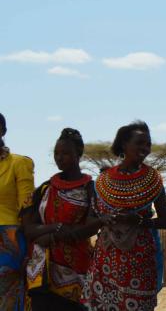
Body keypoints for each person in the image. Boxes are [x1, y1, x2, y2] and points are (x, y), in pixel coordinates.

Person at [86, 121, 166, 311]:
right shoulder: (103, 180)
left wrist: (138, 221)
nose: (145, 148)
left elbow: (164, 221)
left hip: (141, 261)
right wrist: (103, 220)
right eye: (139, 143)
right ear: (124, 144)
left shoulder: (154, 179)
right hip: (106, 260)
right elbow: (90, 219)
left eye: (147, 144)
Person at [23, 128, 99, 311]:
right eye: (56, 153)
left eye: (65, 153)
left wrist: (51, 236)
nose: (59, 157)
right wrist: (57, 227)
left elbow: (92, 227)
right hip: (42, 270)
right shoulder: (45, 189)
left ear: (78, 154)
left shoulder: (90, 189)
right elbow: (27, 227)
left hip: (77, 269)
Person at [0, 113, 34, 311]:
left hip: (9, 240)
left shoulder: (19, 163)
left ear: (3, 131)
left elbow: (27, 209)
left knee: (7, 300)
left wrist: (30, 252)